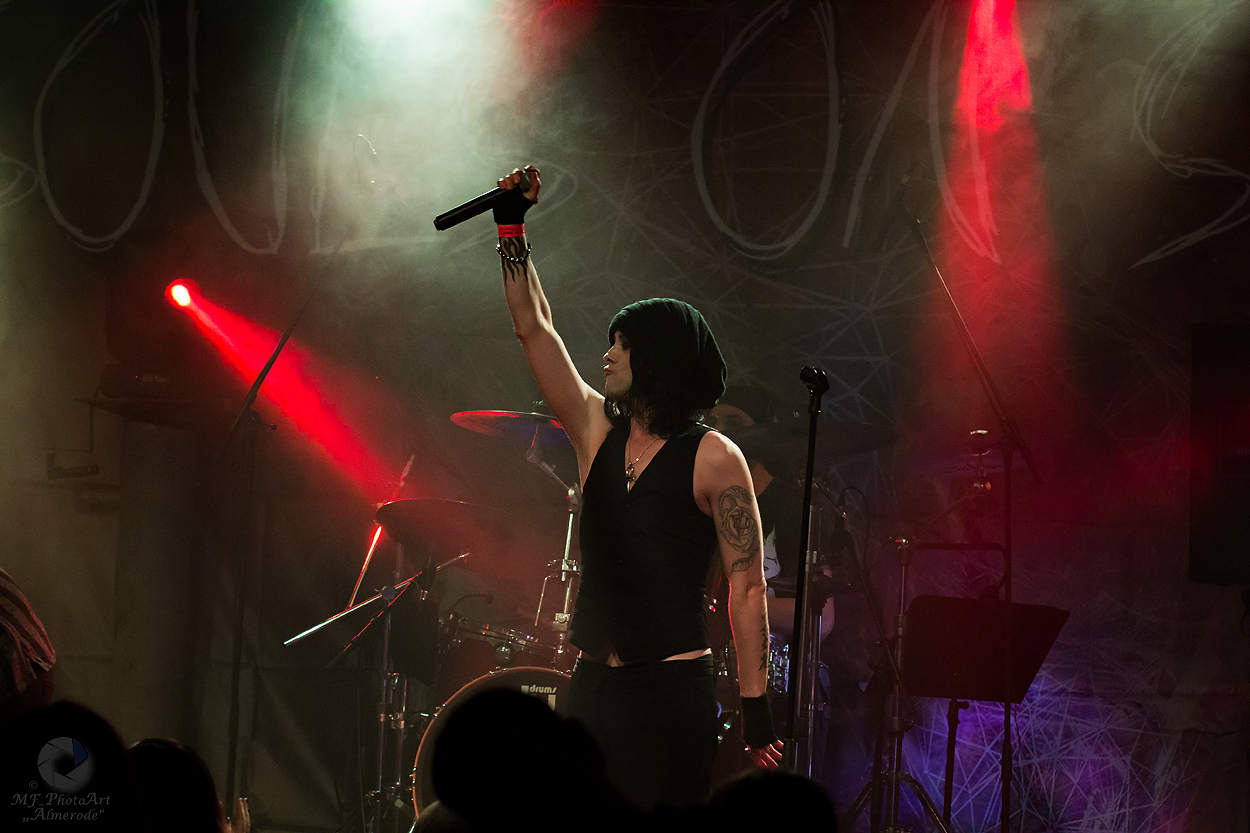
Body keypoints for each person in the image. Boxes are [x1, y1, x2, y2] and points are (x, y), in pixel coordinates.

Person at [491, 165, 782, 811]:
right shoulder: (595, 428)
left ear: (657, 358)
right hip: (594, 684)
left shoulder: (714, 456)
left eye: (621, 345)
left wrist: (757, 704)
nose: (606, 355)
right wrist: (511, 227)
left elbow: (748, 586)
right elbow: (535, 327)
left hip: (671, 693)